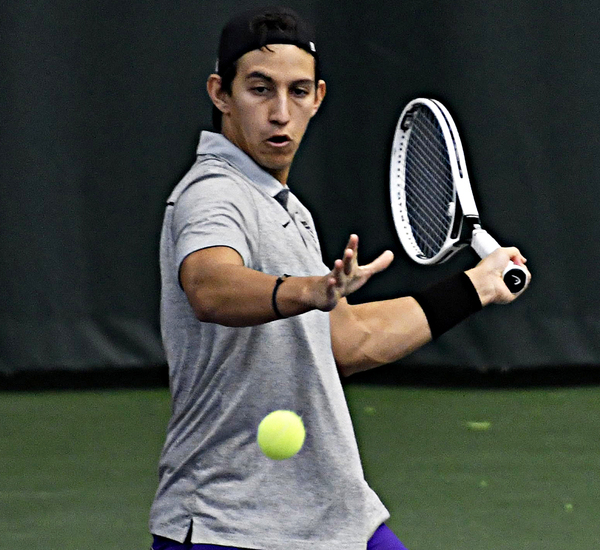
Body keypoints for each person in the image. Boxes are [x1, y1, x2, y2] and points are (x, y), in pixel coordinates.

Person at [149, 6, 531, 550]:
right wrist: (306, 290)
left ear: (318, 98)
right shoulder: (212, 194)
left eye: (298, 91)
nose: (281, 113)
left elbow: (348, 340)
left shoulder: (287, 208)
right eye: (260, 90)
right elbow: (209, 287)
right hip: (227, 523)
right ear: (220, 94)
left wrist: (476, 286)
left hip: (332, 517)